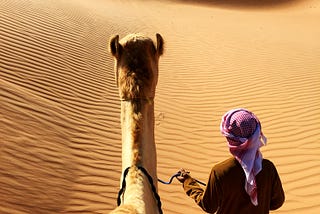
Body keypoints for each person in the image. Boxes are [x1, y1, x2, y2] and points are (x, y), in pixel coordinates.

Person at [177, 108, 285, 214]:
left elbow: (209, 207)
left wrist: (188, 182)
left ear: (230, 140)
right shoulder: (268, 168)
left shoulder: (220, 172)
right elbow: (277, 203)